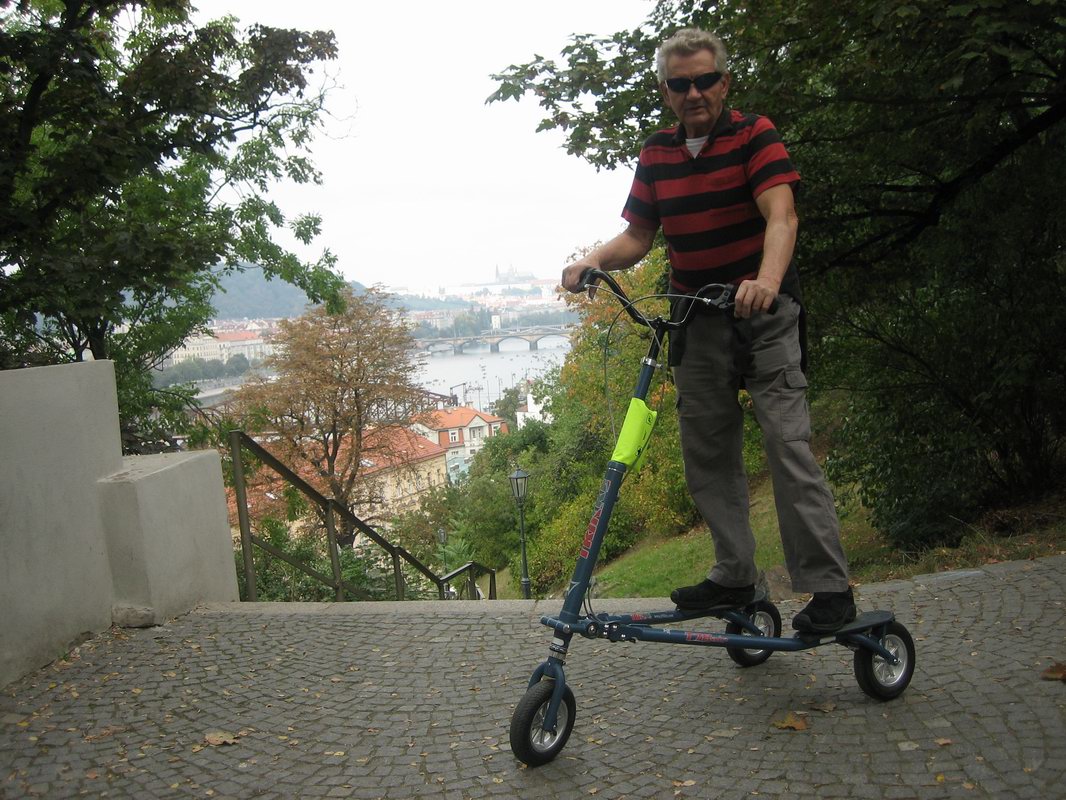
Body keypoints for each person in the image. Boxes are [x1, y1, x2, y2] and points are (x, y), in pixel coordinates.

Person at [561, 28, 855, 633]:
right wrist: (593, 259)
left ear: (724, 82)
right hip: (695, 321)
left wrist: (766, 280)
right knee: (707, 454)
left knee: (788, 446)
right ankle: (735, 575)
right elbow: (639, 236)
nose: (693, 93)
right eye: (680, 84)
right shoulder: (656, 153)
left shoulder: (755, 135)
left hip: (762, 317)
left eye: (704, 80)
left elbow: (781, 215)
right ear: (665, 91)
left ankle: (830, 589)